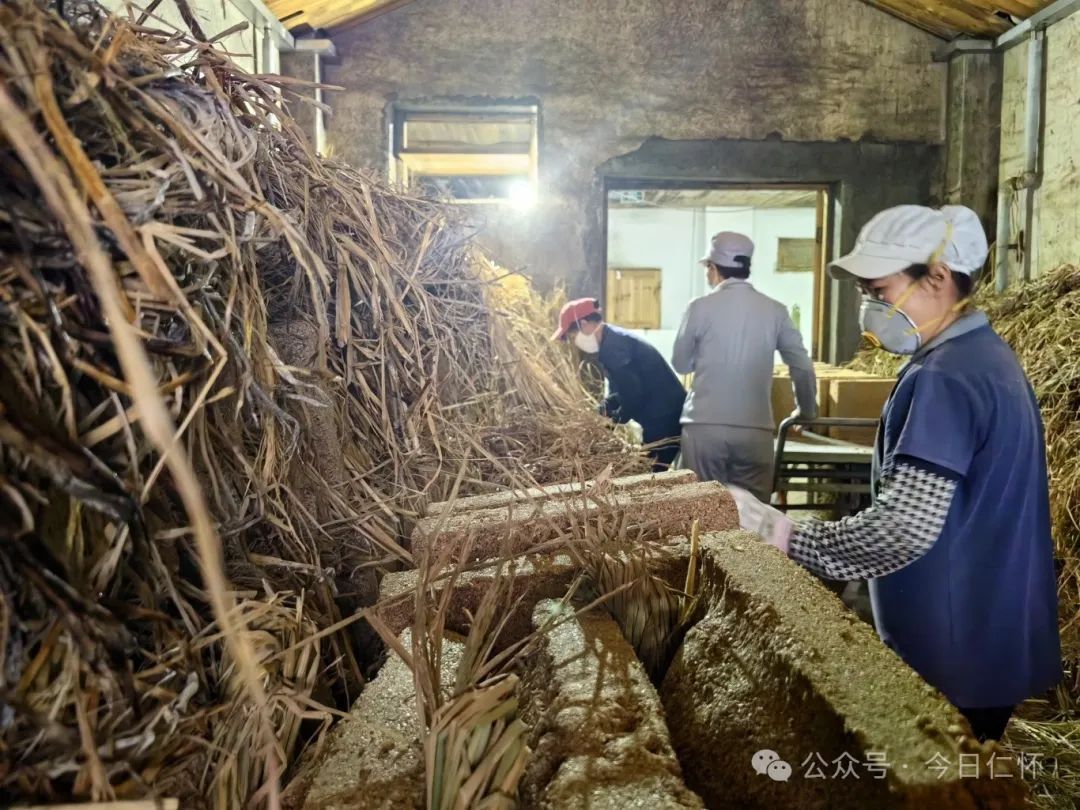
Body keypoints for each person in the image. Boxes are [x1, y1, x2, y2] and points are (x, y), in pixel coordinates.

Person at [729, 204, 1061, 742]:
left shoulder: (947, 377)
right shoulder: (986, 358)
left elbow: (904, 528)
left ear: (937, 277)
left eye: (879, 291)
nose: (870, 309)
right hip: (988, 631)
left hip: (954, 649)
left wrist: (784, 537)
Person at [672, 231, 817, 502]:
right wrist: (807, 410)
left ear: (713, 269)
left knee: (701, 514)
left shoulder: (699, 307)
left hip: (704, 427)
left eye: (708, 269)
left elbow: (681, 363)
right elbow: (802, 366)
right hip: (755, 429)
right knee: (755, 520)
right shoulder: (775, 310)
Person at [552, 298, 685, 471]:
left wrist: (614, 420)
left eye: (572, 336)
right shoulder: (614, 339)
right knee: (648, 470)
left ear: (584, 324)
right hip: (665, 414)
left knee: (650, 474)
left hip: (665, 418)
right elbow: (625, 388)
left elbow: (633, 394)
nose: (574, 341)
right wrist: (606, 408)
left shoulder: (613, 347)